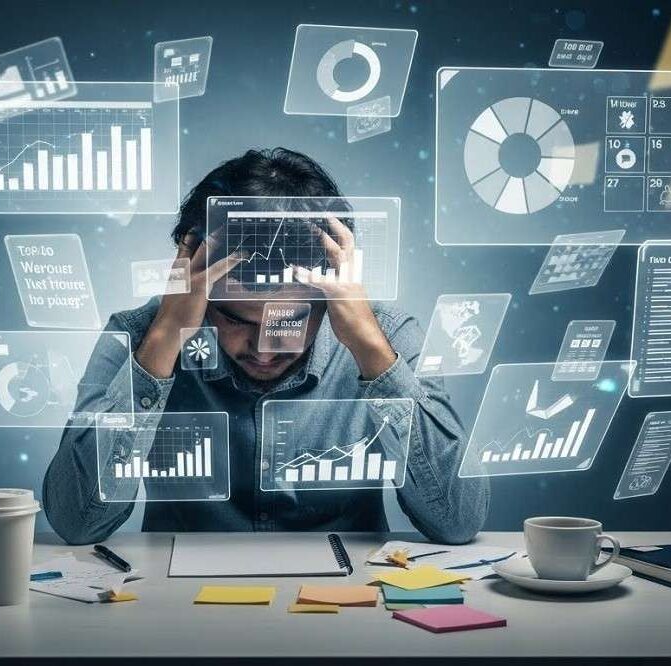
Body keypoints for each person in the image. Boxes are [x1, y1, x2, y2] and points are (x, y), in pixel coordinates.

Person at [43, 148, 489, 544]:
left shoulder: (387, 337)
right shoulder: (140, 336)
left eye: (291, 320)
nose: (263, 348)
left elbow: (457, 520)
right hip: (178, 608)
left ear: (331, 296)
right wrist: (164, 339)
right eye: (235, 319)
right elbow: (76, 521)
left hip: (347, 608)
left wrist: (372, 351)